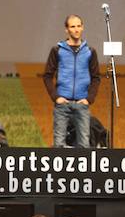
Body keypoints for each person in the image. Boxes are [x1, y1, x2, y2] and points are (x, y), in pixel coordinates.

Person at [42, 14, 100, 147]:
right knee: (59, 145)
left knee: (84, 145)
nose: (76, 29)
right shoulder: (57, 50)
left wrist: (89, 99)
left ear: (83, 27)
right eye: (73, 26)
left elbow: (96, 77)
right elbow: (47, 76)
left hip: (82, 104)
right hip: (62, 105)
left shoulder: (90, 51)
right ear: (66, 30)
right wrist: (56, 97)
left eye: (79, 26)